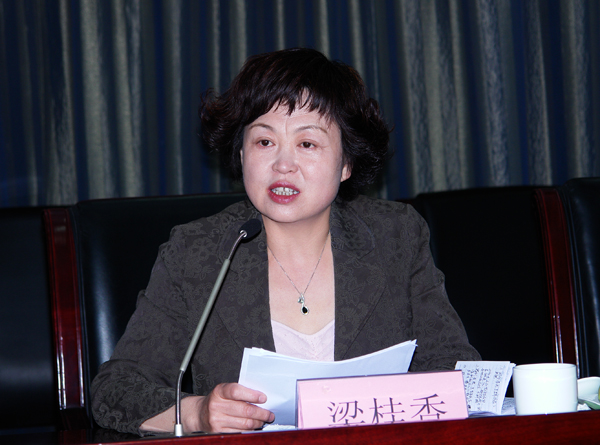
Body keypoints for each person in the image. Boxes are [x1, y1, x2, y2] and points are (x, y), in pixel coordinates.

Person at [91, 47, 480, 435]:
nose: (283, 165)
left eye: (307, 144)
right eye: (264, 142)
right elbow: (114, 391)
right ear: (242, 152)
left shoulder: (395, 236)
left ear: (346, 163)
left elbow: (455, 366)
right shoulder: (197, 252)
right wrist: (198, 413)